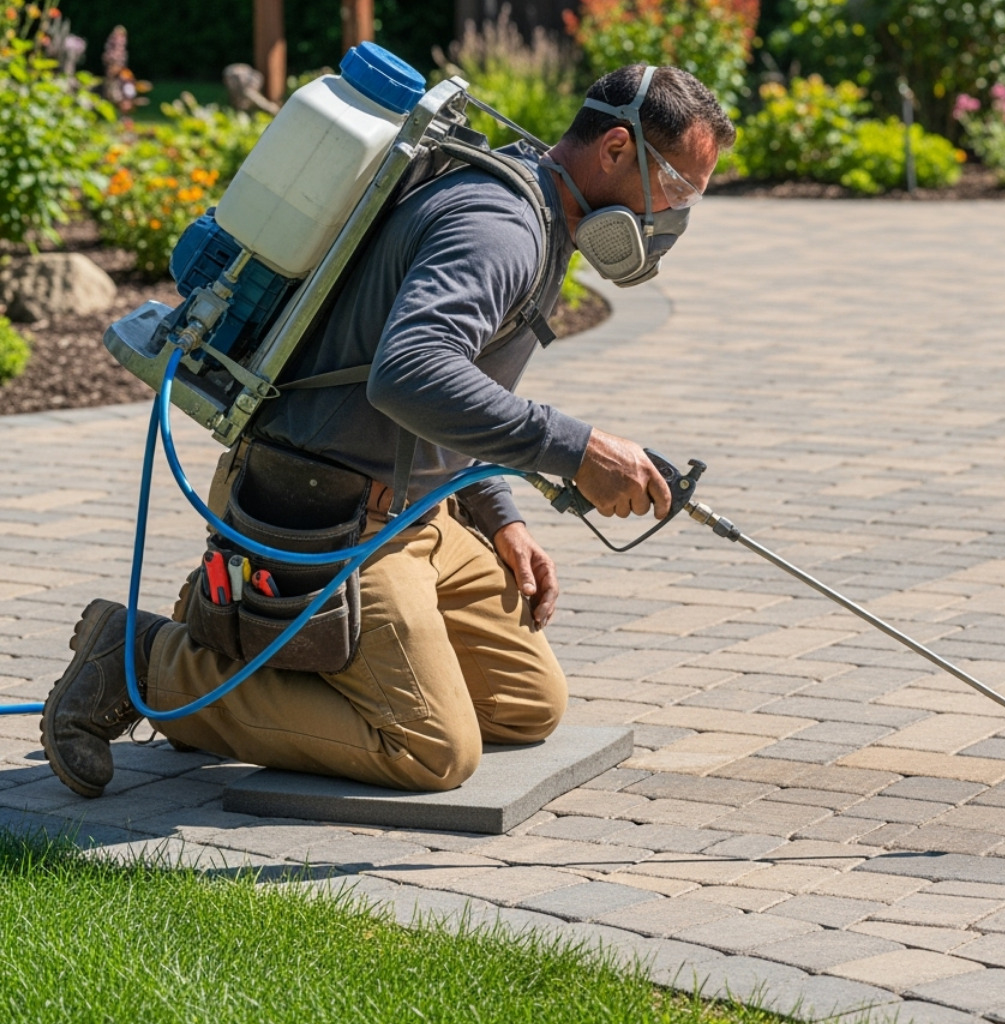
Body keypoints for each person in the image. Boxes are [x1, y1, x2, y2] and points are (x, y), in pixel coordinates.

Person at [40, 64, 735, 798]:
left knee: (527, 705)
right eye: (680, 191)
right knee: (432, 749)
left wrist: (500, 517)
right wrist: (580, 449)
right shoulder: (501, 228)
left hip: (417, 513)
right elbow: (409, 373)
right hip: (329, 514)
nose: (674, 218)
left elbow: (457, 396)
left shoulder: (537, 208)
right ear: (617, 150)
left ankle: (245, 631)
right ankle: (145, 660)